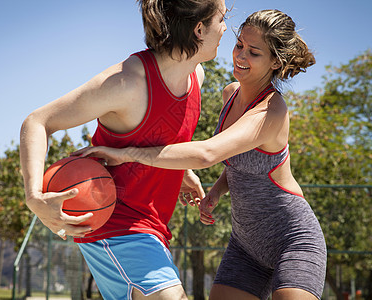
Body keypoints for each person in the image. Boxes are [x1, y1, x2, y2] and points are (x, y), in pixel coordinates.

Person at [75, 9, 327, 300]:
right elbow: (240, 162)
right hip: (246, 244)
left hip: (292, 239)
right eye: (239, 45)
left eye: (254, 53)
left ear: (275, 62)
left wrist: (128, 153)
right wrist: (217, 191)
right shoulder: (230, 93)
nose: (240, 56)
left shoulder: (272, 110)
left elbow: (208, 153)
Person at [20, 0, 229, 299]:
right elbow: (37, 122)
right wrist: (34, 197)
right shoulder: (127, 82)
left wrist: (181, 169)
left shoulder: (196, 77)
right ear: (199, 29)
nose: (225, 29)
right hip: (115, 226)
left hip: (152, 229)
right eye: (221, 19)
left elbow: (157, 138)